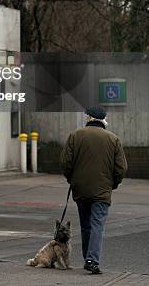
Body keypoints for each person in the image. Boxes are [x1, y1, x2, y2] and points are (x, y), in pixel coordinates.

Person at [61, 106, 127, 274]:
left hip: (81, 189)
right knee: (97, 224)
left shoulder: (75, 136)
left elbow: (65, 163)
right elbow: (121, 168)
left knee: (85, 225)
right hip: (102, 190)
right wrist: (113, 184)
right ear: (103, 120)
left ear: (89, 118)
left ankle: (87, 258)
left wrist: (72, 179)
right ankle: (92, 260)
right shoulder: (113, 139)